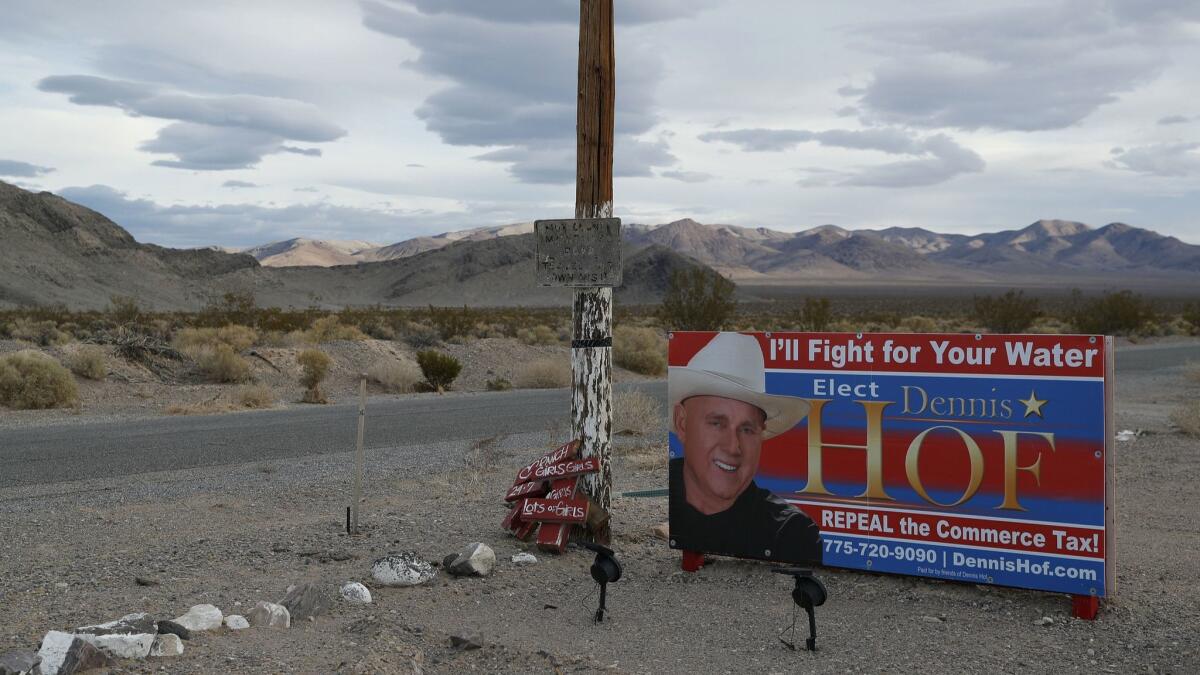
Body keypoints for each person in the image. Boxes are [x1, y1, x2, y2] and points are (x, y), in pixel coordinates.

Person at [669, 332, 822, 564]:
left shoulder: (790, 533)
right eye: (717, 423)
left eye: (747, 429)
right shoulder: (672, 489)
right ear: (682, 423)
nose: (733, 447)